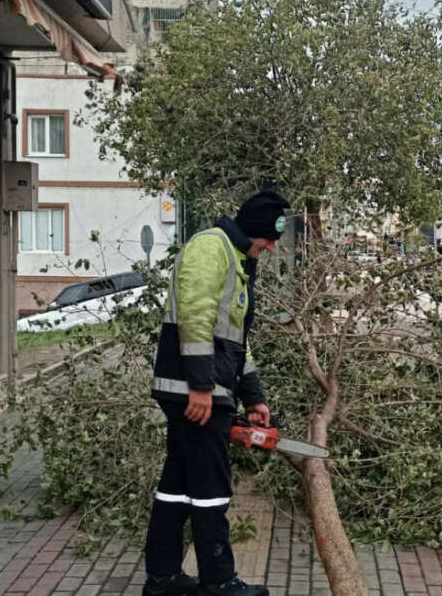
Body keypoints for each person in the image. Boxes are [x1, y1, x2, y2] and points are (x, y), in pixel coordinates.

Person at [143, 190, 290, 596]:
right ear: (254, 229)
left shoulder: (236, 259)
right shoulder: (212, 248)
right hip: (194, 392)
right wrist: (202, 388)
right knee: (211, 490)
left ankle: (163, 578)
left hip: (201, 389)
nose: (271, 247)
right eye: (269, 238)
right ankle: (219, 582)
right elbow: (195, 319)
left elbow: (236, 343)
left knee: (176, 485)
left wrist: (254, 397)